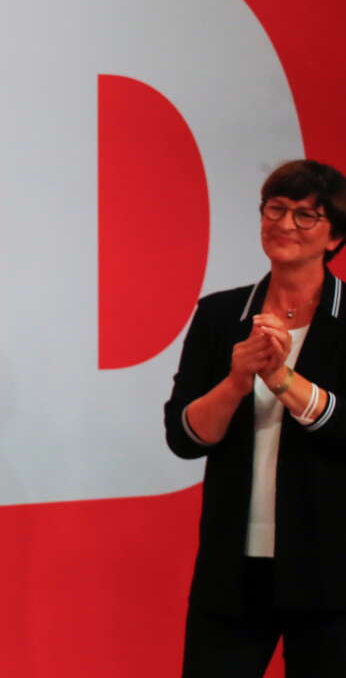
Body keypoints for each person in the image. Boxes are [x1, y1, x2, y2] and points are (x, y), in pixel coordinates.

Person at [165, 158, 346, 676]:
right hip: (231, 572)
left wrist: (282, 379)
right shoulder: (221, 315)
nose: (285, 224)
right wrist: (237, 380)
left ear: (335, 236)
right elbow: (184, 437)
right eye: (276, 208)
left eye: (306, 215)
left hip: (331, 573)